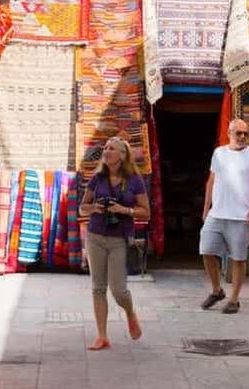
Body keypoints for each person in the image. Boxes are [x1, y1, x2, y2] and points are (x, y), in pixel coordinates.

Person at [79, 137, 150, 350]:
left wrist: (123, 210)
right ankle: (102, 336)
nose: (106, 151)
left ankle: (130, 313)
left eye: (111, 149)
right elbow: (83, 207)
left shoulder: (134, 180)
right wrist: (95, 208)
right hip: (95, 236)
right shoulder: (97, 178)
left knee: (118, 290)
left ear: (122, 155)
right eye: (105, 148)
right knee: (98, 288)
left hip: (119, 238)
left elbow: (146, 212)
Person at [200, 119, 249, 314]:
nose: (242, 137)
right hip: (217, 213)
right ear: (229, 132)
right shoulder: (219, 153)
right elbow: (211, 181)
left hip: (241, 216)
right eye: (238, 133)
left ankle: (234, 299)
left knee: (238, 258)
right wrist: (206, 208)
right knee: (206, 251)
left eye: (246, 134)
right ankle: (216, 290)